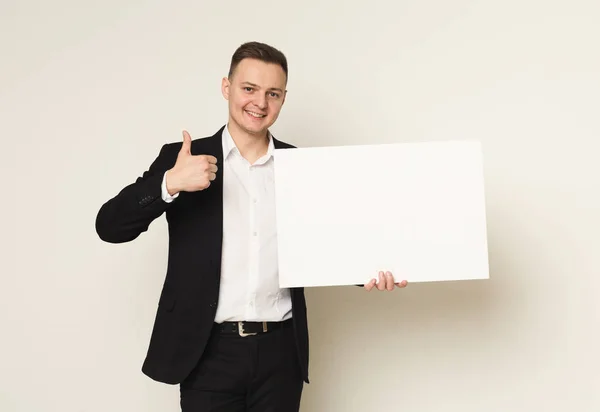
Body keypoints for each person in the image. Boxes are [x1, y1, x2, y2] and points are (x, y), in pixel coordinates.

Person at [95, 41, 408, 412]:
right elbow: (110, 226)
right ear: (226, 87)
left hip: (281, 354)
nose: (260, 103)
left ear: (283, 98)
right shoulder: (184, 160)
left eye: (272, 93)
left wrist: (375, 271)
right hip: (208, 353)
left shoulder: (302, 167)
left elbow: (329, 245)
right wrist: (170, 184)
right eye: (249, 89)